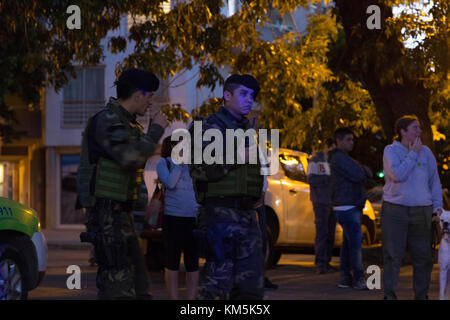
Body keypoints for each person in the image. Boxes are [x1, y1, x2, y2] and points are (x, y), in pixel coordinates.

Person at [76, 68, 169, 299]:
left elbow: (132, 173)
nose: (151, 102)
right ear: (138, 95)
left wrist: (145, 203)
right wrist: (156, 130)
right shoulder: (107, 120)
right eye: (150, 96)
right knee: (118, 287)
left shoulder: (128, 125)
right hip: (107, 215)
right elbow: (130, 159)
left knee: (139, 286)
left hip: (122, 217)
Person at [189, 74, 265, 300]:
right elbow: (198, 170)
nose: (249, 100)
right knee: (215, 288)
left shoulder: (248, 130)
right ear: (227, 95)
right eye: (243, 94)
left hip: (247, 215)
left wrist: (256, 192)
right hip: (219, 215)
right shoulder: (206, 127)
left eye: (252, 96)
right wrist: (237, 156)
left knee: (250, 289)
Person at [382, 115, 443, 300]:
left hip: (421, 210)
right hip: (395, 209)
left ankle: (422, 295)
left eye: (419, 128)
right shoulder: (391, 150)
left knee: (423, 257)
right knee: (392, 255)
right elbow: (397, 174)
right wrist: (412, 154)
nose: (419, 131)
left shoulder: (426, 153)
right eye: (415, 128)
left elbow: (434, 182)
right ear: (403, 131)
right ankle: (389, 295)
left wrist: (437, 207)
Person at [329, 128, 372, 290]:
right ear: (338, 141)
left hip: (348, 204)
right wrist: (363, 170)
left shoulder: (343, 158)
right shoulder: (339, 158)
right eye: (348, 139)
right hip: (347, 205)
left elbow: (361, 171)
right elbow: (359, 174)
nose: (352, 143)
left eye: (352, 140)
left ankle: (345, 278)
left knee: (349, 243)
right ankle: (358, 278)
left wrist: (362, 170)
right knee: (355, 244)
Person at [157, 136, 199, 300]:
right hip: (173, 218)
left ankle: (191, 300)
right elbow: (170, 183)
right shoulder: (164, 163)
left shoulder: (192, 165)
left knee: (192, 262)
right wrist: (179, 165)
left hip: (192, 218)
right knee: (172, 261)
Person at [307, 138, 337, 274]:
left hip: (331, 200)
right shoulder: (316, 160)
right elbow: (311, 180)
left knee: (330, 233)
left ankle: (327, 261)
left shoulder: (332, 161)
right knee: (322, 232)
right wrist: (327, 179)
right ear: (327, 147)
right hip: (320, 201)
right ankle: (320, 263)